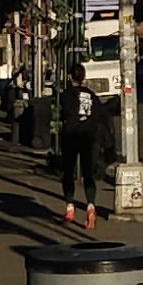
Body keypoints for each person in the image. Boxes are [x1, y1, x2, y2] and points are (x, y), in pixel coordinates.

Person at [55, 62, 103, 229]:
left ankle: (69, 207)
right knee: (88, 173)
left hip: (71, 134)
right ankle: (90, 206)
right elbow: (99, 114)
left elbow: (64, 112)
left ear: (70, 77)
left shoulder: (66, 95)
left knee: (68, 171)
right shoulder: (92, 95)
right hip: (90, 136)